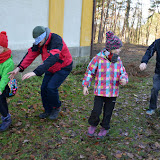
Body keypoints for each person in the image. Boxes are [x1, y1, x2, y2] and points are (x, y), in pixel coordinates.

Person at [9, 26, 73, 120]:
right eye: (36, 40)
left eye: (39, 40)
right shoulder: (39, 44)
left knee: (51, 87)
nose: (38, 42)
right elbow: (30, 55)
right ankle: (48, 110)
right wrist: (18, 68)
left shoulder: (56, 40)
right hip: (50, 68)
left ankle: (56, 107)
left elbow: (53, 58)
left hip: (63, 67)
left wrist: (36, 72)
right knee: (44, 88)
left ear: (44, 36)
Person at [82, 31, 128, 139]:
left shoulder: (118, 60)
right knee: (96, 110)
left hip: (112, 92)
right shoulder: (98, 58)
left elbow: (123, 73)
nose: (119, 50)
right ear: (111, 48)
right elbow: (90, 72)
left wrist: (124, 79)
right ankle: (93, 124)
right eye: (118, 48)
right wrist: (85, 85)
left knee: (108, 112)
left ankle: (105, 127)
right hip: (100, 91)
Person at [139, 39, 160, 115]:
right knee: (155, 89)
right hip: (159, 72)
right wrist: (144, 62)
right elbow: (149, 51)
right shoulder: (158, 42)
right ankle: (152, 108)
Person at [0, 31, 14, 131]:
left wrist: (0, 88)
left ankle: (6, 118)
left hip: (5, 85)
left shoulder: (8, 62)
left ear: (4, 48)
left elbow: (5, 77)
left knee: (0, 100)